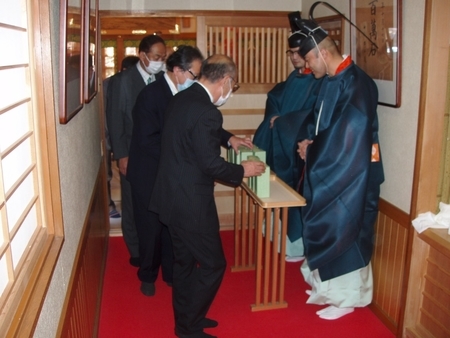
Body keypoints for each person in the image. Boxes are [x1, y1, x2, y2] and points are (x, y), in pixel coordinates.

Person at [149, 54, 266, 338]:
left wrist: (229, 139)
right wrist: (243, 169)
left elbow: (196, 129)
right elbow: (210, 164)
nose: (230, 91)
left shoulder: (183, 96)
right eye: (233, 86)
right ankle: (189, 325)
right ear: (226, 80)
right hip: (191, 203)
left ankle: (187, 320)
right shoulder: (207, 111)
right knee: (214, 264)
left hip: (171, 196)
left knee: (185, 263)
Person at [294, 19, 384, 320]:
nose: (307, 66)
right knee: (325, 227)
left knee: (346, 231)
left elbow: (349, 136)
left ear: (322, 53)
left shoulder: (357, 84)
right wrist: (307, 141)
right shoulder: (332, 80)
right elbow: (317, 123)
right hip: (330, 169)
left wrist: (314, 149)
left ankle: (349, 299)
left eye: (308, 59)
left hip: (351, 175)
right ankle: (327, 290)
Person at [126, 45, 204, 296]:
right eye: (194, 74)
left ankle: (172, 274)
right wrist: (182, 154)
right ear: (179, 70)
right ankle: (147, 275)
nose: (196, 80)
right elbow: (147, 141)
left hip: (172, 173)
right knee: (150, 228)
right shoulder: (151, 95)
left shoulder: (187, 94)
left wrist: (227, 139)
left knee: (173, 227)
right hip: (149, 172)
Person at [252, 11, 322, 262]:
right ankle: (280, 238)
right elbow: (276, 102)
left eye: (297, 53)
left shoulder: (321, 82)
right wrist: (275, 119)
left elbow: (314, 116)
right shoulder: (292, 79)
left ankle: (296, 246)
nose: (293, 58)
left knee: (299, 196)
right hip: (281, 146)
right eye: (290, 53)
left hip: (300, 150)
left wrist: (283, 123)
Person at [106, 35, 166, 267]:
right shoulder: (122, 81)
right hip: (131, 154)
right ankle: (137, 251)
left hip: (158, 154)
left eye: (163, 57)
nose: (161, 61)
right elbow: (115, 122)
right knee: (132, 204)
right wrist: (121, 155)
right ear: (143, 56)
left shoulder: (162, 79)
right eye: (156, 57)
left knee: (156, 200)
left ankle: (156, 247)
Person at [103, 55, 139, 219]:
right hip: (114, 139)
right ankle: (110, 205)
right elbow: (112, 118)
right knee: (110, 175)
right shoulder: (111, 84)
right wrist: (120, 152)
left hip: (137, 145)